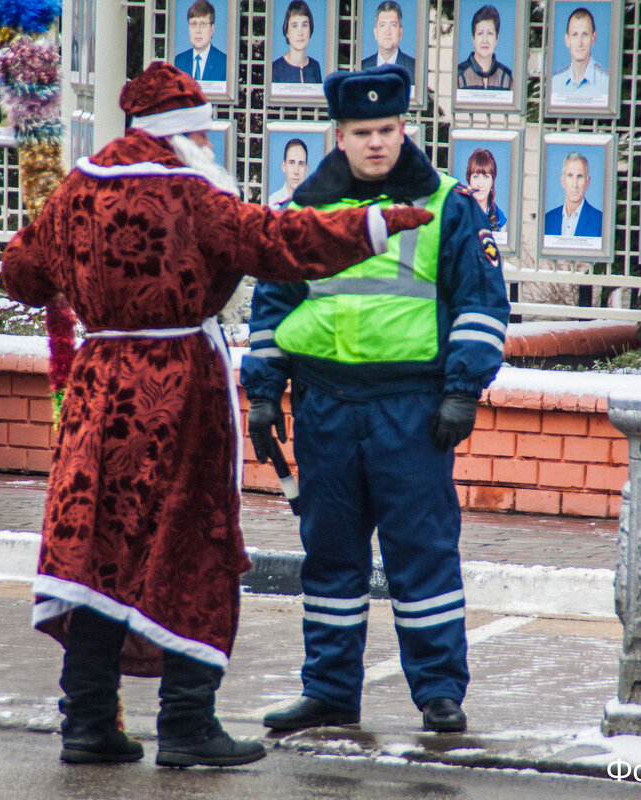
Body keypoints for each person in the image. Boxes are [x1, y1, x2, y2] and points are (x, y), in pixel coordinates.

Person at [0, 62, 432, 769]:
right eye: (201, 124)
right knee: (186, 544)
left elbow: (20, 273)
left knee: (99, 550)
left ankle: (85, 722)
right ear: (184, 131)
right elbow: (280, 243)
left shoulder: (76, 188)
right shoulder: (195, 192)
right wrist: (373, 224)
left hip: (96, 387)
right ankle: (187, 724)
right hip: (177, 394)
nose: (206, 134)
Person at [242, 64, 509, 736]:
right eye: (363, 132)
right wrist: (264, 394)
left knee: (422, 552)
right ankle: (330, 692)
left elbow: (481, 302)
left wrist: (461, 389)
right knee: (330, 556)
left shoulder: (449, 202)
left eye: (387, 129)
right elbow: (274, 302)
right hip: (327, 407)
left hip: (410, 410)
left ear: (402, 128)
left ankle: (439, 692)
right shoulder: (305, 205)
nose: (376, 143)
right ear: (340, 134)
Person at [550, 6, 608, 98]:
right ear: (567, 40)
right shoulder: (555, 83)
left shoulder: (607, 83)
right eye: (575, 35)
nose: (579, 43)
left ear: (593, 38)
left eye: (585, 34)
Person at [544, 151, 602, 237]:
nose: (575, 184)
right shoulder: (547, 219)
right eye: (570, 176)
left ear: (587, 182)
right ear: (563, 180)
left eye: (580, 176)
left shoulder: (600, 221)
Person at [456, 5, 513, 90]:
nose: (485, 40)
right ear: (473, 38)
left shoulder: (506, 78)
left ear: (497, 38)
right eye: (480, 33)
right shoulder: (459, 75)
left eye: (490, 33)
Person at [173, 0, 227, 82]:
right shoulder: (178, 62)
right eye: (193, 24)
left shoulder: (224, 63)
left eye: (203, 24)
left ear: (212, 29)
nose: (198, 30)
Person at [362, 0, 416, 80]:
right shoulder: (361, 69)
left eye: (393, 25)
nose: (387, 31)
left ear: (400, 32)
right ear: (375, 32)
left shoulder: (415, 69)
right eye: (382, 25)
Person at [272, 0, 322, 84]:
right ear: (287, 32)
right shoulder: (275, 68)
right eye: (294, 26)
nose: (300, 32)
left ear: (310, 30)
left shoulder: (315, 67)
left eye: (304, 25)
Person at [464, 147, 506, 234]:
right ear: (469, 180)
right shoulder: (461, 213)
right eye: (475, 176)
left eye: (486, 177)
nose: (480, 184)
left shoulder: (499, 216)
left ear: (492, 182)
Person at [268, 138, 309, 209]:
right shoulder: (271, 204)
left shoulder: (314, 206)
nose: (296, 171)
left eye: (301, 164)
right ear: (284, 166)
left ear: (306, 169)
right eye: (292, 163)